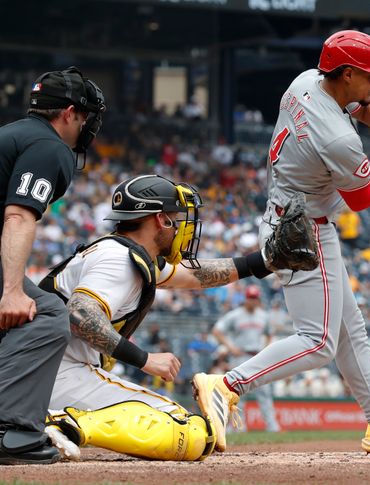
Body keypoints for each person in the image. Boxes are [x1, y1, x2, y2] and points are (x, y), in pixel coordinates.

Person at [192, 29, 370, 456]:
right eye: (369, 75)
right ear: (345, 73)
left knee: (349, 331)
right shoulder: (338, 138)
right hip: (304, 229)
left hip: (291, 215)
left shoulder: (307, 80)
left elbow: (362, 107)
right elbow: (360, 199)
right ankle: (227, 384)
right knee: (318, 341)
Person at [41, 175, 278, 462]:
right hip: (58, 370)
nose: (180, 228)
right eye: (175, 219)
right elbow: (79, 315)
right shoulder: (119, 259)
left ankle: (53, 422)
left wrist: (264, 261)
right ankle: (61, 424)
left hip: (46, 368)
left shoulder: (123, 251)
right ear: (159, 219)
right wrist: (145, 360)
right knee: (188, 430)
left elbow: (195, 275)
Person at [0, 67, 105, 465]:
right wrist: (11, 291)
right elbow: (18, 217)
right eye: (86, 116)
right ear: (68, 113)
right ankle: (10, 433)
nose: (87, 126)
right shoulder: (50, 147)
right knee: (44, 315)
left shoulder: (14, 134)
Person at [212, 285, 281, 433]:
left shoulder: (263, 315)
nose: (253, 301)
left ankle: (272, 427)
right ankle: (237, 428)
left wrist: (266, 349)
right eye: (250, 298)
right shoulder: (235, 315)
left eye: (255, 298)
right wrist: (230, 348)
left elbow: (270, 333)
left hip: (257, 357)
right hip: (240, 357)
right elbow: (217, 330)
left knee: (265, 394)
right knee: (237, 395)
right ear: (246, 298)